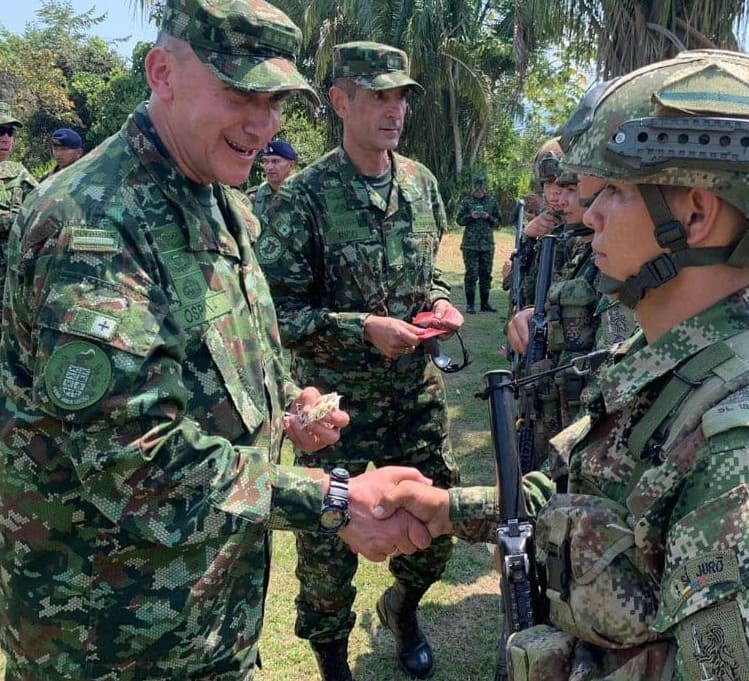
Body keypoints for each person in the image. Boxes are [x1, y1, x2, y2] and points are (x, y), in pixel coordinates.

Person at [376, 49, 749, 680]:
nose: (592, 213)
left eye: (613, 190)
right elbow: (591, 497)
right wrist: (446, 508)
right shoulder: (669, 364)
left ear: (693, 213)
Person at [0, 3, 434, 679]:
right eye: (239, 94)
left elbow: (227, 346)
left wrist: (287, 402)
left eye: (276, 101)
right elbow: (134, 467)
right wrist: (330, 497)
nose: (262, 126)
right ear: (161, 72)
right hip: (106, 634)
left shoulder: (213, 192)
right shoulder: (92, 224)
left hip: (207, 614)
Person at [258, 41, 462, 681]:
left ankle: (403, 608)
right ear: (340, 102)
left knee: (437, 524)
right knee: (325, 552)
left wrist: (437, 303)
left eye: (401, 95)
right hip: (336, 407)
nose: (394, 108)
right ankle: (332, 661)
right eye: (379, 95)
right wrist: (360, 329)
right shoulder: (306, 196)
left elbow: (432, 274)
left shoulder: (421, 183)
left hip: (414, 394)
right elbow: (278, 313)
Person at [0, 101, 38, 304]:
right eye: (0, 131)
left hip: (11, 283)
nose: (5, 139)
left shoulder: (19, 174)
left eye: (10, 133)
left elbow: (41, 213)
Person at [456, 174, 501, 313]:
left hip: (487, 245)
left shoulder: (492, 202)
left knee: (486, 274)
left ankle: (485, 304)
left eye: (481, 188)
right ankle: (470, 305)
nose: (479, 191)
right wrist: (471, 216)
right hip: (470, 245)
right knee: (471, 274)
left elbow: (498, 223)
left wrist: (488, 217)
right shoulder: (467, 201)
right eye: (477, 188)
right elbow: (459, 220)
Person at [247, 138, 298, 214]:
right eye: (265, 161)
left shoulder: (304, 195)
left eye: (275, 161)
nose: (269, 167)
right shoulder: (255, 197)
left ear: (291, 165)